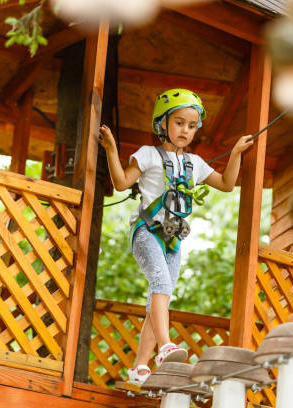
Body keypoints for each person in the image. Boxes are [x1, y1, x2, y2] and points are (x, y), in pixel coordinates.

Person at [98, 88, 254, 385]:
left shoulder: (195, 164)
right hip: (146, 231)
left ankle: (140, 368)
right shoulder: (147, 155)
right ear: (163, 124)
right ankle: (165, 346)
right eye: (180, 122)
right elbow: (120, 183)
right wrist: (111, 150)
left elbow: (226, 184)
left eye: (192, 126)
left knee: (160, 299)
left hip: (174, 239)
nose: (186, 130)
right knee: (160, 285)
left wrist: (235, 154)